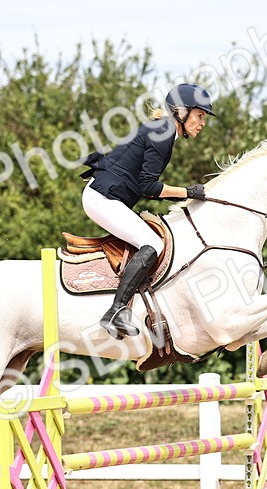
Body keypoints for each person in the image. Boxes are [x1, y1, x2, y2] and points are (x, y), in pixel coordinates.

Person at [80, 83, 216, 338]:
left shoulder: (163, 131)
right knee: (152, 243)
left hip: (105, 196)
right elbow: (148, 188)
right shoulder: (163, 133)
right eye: (199, 116)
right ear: (181, 112)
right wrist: (188, 192)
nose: (202, 123)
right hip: (102, 197)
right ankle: (116, 311)